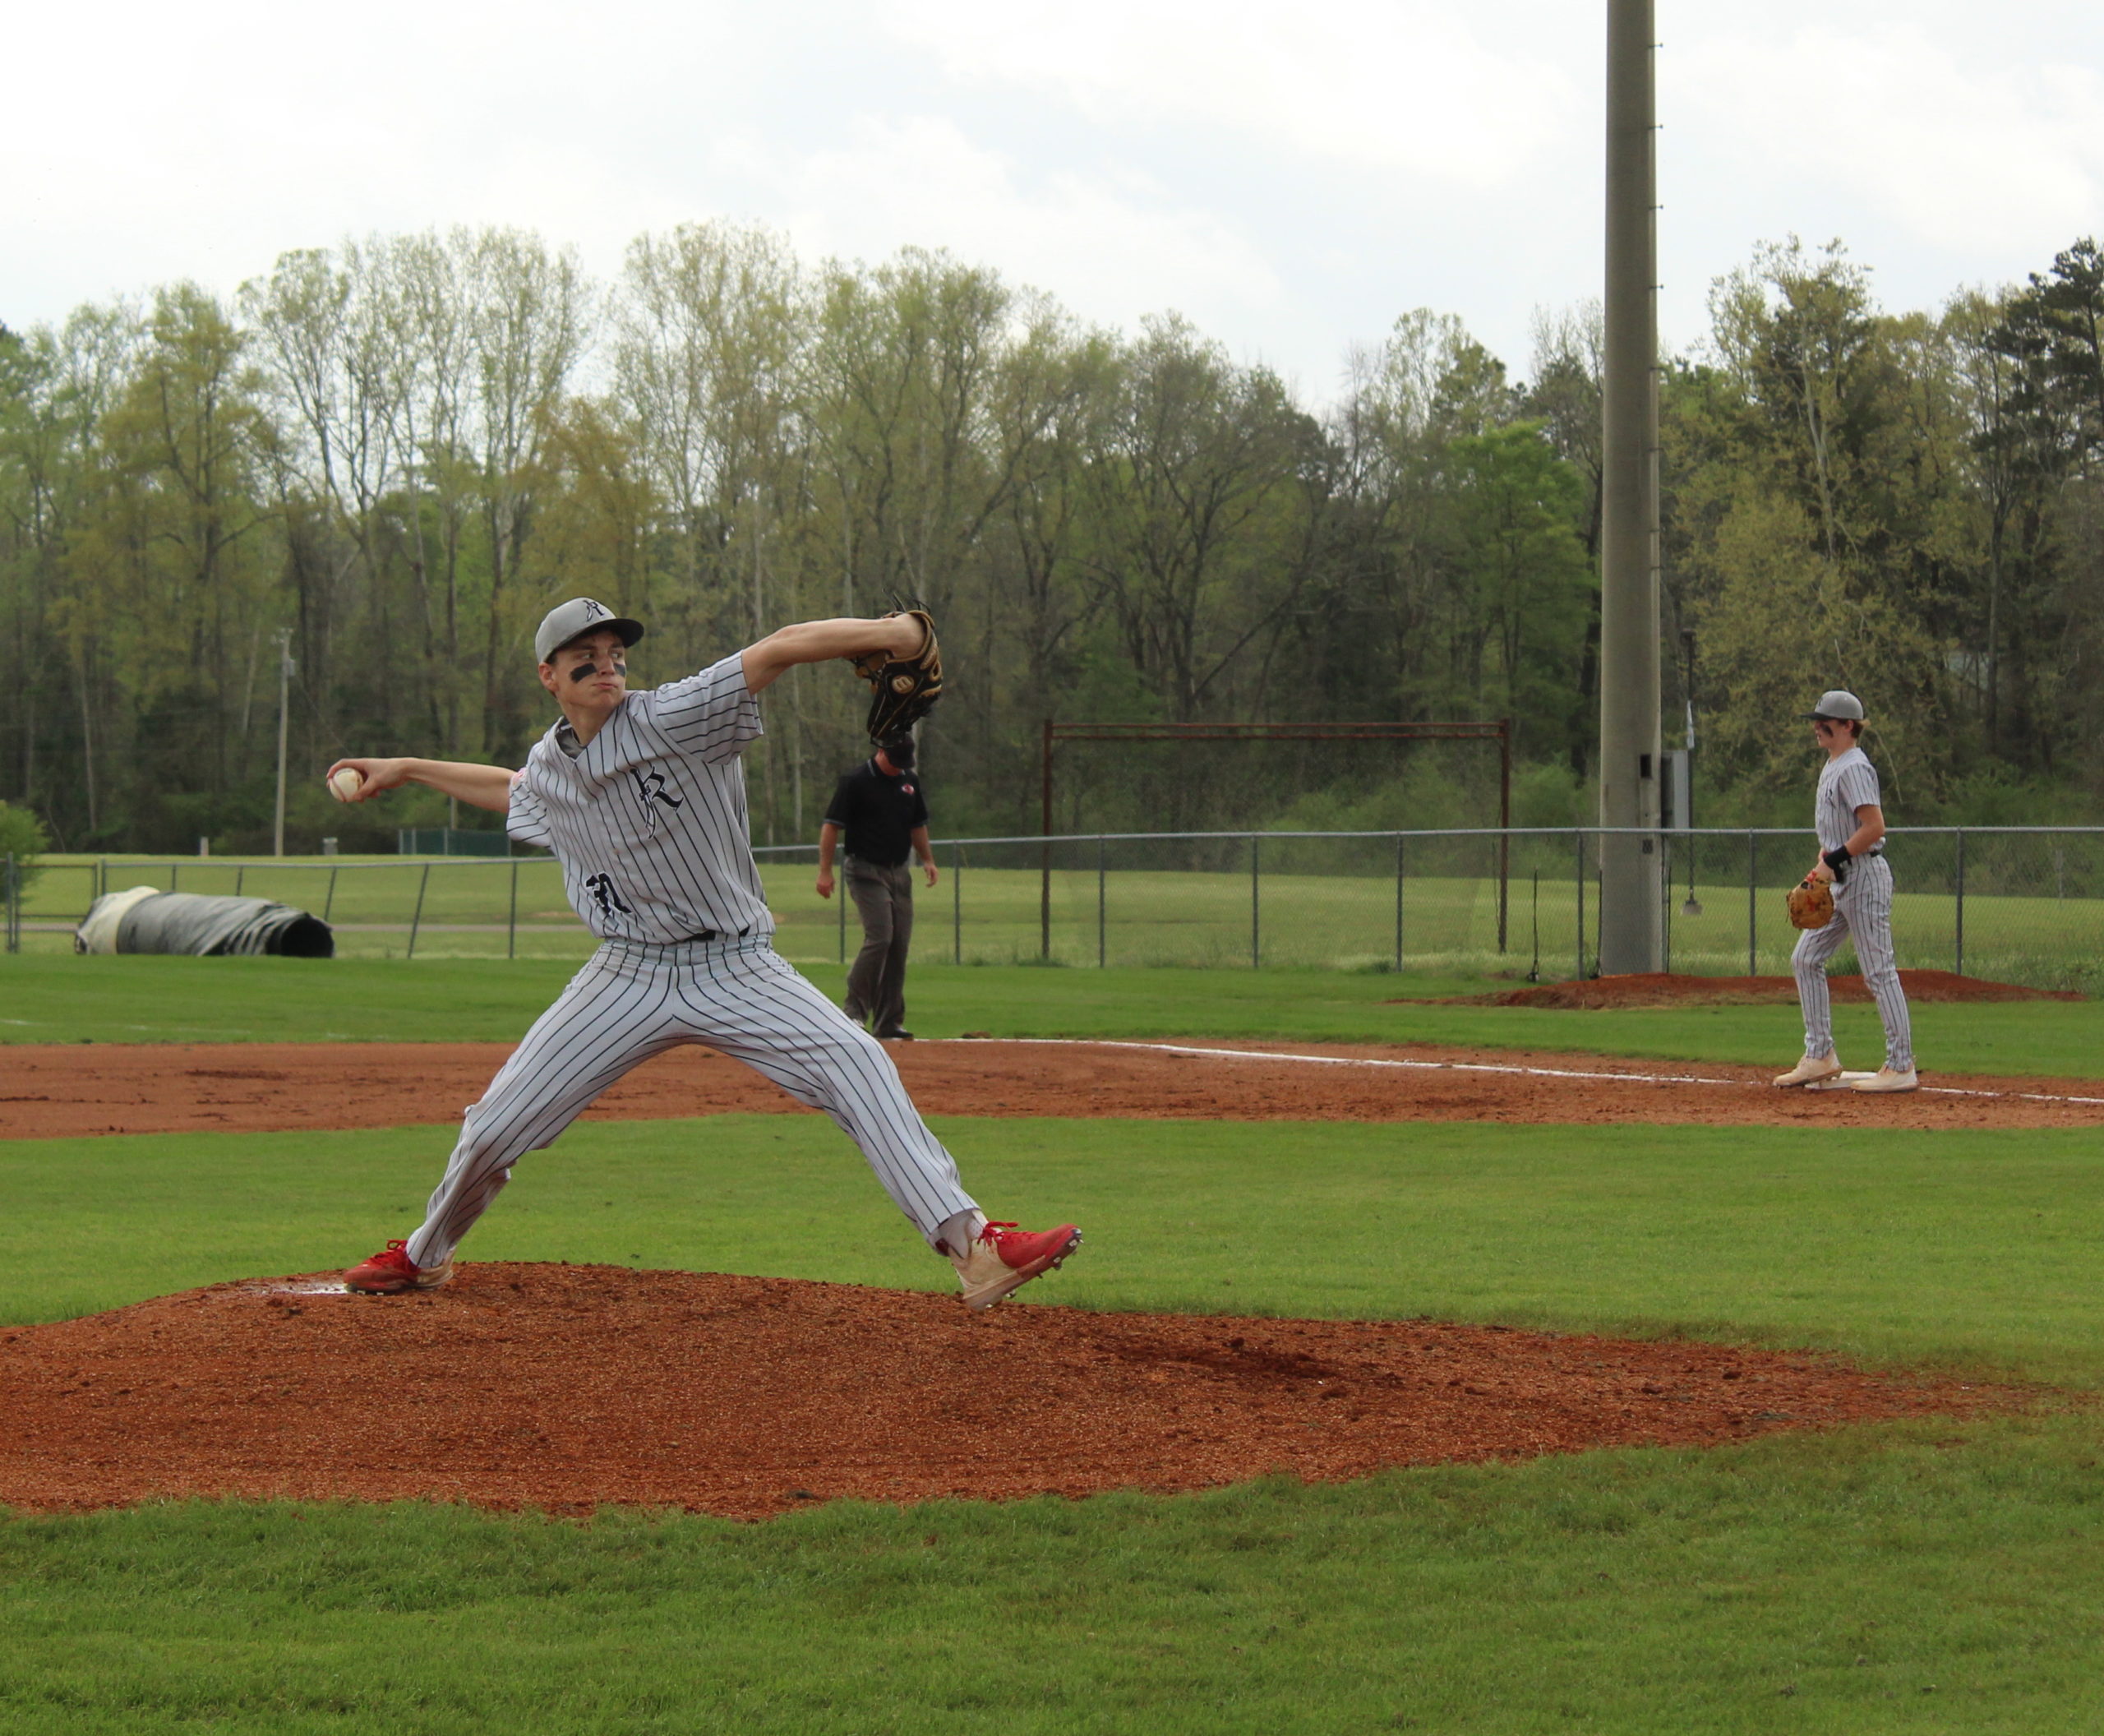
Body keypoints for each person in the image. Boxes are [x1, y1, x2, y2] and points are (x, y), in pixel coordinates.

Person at [325, 597, 1081, 1305]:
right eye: (583, 654)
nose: (606, 663)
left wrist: (899, 635)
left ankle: (974, 1246)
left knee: (857, 1062)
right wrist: (408, 768)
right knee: (493, 1126)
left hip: (735, 964)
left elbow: (781, 649)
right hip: (624, 972)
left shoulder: (678, 715)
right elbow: (514, 789)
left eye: (615, 650)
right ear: (548, 676)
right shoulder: (552, 765)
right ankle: (425, 1255)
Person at [1773, 689, 1918, 1093]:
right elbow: (1841, 833)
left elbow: (1874, 828)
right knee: (1805, 958)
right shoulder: (1834, 764)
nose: (1817, 729)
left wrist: (1833, 859)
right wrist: (1825, 862)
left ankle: (1901, 1065)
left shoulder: (1854, 766)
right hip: (1840, 880)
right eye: (1816, 723)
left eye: (1825, 723)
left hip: (1865, 877)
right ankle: (1820, 1056)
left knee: (1878, 970)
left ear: (1848, 726)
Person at [815, 732, 936, 1041]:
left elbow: (917, 825)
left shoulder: (910, 781)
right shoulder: (856, 781)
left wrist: (928, 860)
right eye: (895, 762)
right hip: (865, 870)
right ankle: (853, 1011)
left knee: (898, 946)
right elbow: (831, 827)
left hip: (900, 872)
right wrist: (824, 872)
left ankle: (888, 1021)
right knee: (880, 936)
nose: (899, 768)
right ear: (880, 752)